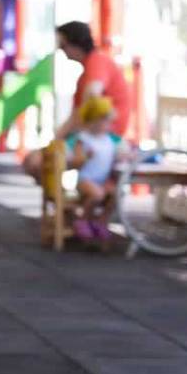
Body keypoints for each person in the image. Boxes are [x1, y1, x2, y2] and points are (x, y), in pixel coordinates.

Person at [22, 21, 131, 180]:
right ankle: (66, 202)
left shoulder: (96, 62)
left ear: (75, 43)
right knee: (34, 161)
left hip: (101, 137)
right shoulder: (89, 68)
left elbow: (92, 93)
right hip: (92, 134)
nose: (60, 50)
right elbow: (76, 116)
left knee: (36, 162)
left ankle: (64, 202)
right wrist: (54, 141)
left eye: (63, 45)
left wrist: (54, 143)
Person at [69, 96, 117, 243]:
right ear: (93, 121)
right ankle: (83, 220)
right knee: (97, 194)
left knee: (116, 194)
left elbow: (112, 158)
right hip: (85, 179)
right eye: (104, 120)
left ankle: (101, 222)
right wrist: (85, 157)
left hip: (102, 180)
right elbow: (75, 163)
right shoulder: (83, 139)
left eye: (109, 120)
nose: (108, 124)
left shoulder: (108, 140)